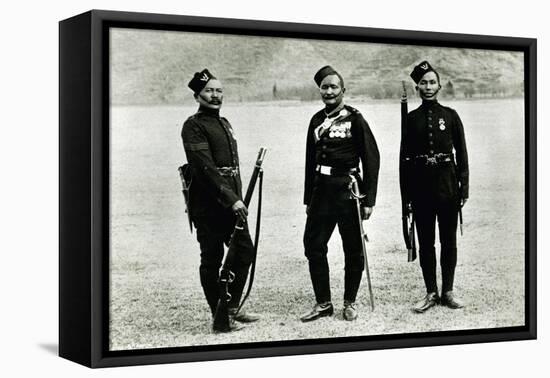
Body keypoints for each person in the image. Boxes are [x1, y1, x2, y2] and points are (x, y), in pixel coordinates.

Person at [181, 69, 259, 331]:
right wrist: (231, 199)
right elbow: (205, 168)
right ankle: (219, 316)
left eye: (219, 91)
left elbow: (230, 168)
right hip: (208, 206)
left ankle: (231, 306)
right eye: (209, 91)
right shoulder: (193, 126)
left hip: (230, 201)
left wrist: (235, 197)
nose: (215, 96)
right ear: (197, 96)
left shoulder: (224, 123)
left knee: (244, 250)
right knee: (212, 259)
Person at [301, 65, 380, 322]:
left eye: (334, 86)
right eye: (325, 87)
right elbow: (309, 161)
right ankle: (323, 303)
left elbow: (372, 159)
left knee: (353, 249)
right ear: (320, 91)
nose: (329, 91)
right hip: (321, 193)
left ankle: (350, 302)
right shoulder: (315, 120)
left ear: (343, 90)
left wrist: (369, 199)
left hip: (347, 191)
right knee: (313, 245)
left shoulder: (355, 119)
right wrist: (307, 199)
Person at [400, 61, 469, 313]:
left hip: (447, 186)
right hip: (420, 189)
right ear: (417, 87)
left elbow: (462, 154)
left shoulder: (450, 116)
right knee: (426, 243)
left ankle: (448, 291)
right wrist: (405, 196)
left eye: (432, 82)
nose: (428, 86)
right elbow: (403, 161)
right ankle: (431, 292)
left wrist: (464, 188)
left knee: (448, 241)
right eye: (423, 83)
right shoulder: (410, 119)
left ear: (439, 86)